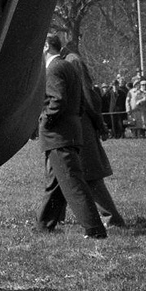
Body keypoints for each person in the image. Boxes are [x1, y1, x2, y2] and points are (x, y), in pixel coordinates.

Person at [37, 34, 106, 239]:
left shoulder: (53, 69)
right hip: (71, 132)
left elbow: (56, 101)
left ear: (47, 46)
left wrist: (45, 122)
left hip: (58, 135)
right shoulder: (69, 66)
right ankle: (44, 225)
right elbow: (82, 101)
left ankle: (94, 229)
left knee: (73, 182)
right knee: (56, 183)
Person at [66, 46, 126, 229]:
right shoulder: (71, 64)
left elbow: (90, 102)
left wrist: (100, 125)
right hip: (77, 128)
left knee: (90, 175)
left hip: (82, 129)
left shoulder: (74, 66)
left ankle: (112, 218)